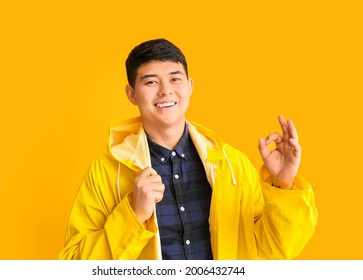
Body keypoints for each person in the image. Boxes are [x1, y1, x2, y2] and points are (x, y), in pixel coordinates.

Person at [59, 38, 318, 260]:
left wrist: (284, 185)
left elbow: (276, 250)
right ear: (131, 94)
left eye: (174, 79)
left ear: (190, 86)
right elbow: (74, 264)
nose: (165, 91)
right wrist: (134, 215)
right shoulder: (107, 171)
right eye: (151, 82)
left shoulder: (231, 164)